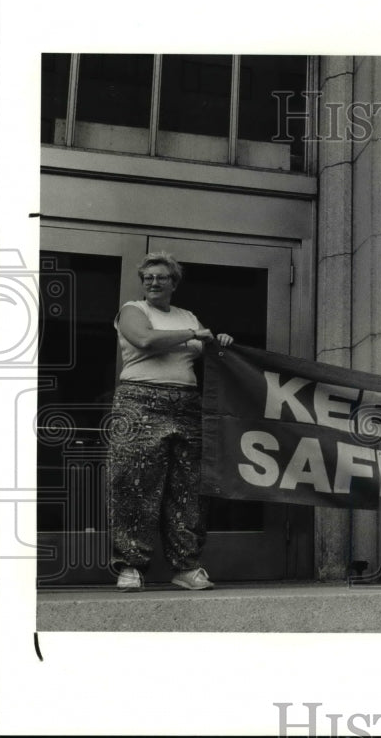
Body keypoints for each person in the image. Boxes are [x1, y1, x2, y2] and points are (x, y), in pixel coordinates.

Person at [106, 252, 233, 591]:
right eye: (148, 277)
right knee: (134, 485)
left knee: (189, 488)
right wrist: (194, 333)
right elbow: (145, 339)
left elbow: (208, 351)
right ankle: (131, 566)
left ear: (174, 283)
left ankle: (187, 567)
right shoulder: (134, 310)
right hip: (140, 401)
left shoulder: (186, 314)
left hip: (186, 403)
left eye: (161, 277)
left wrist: (219, 342)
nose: (154, 282)